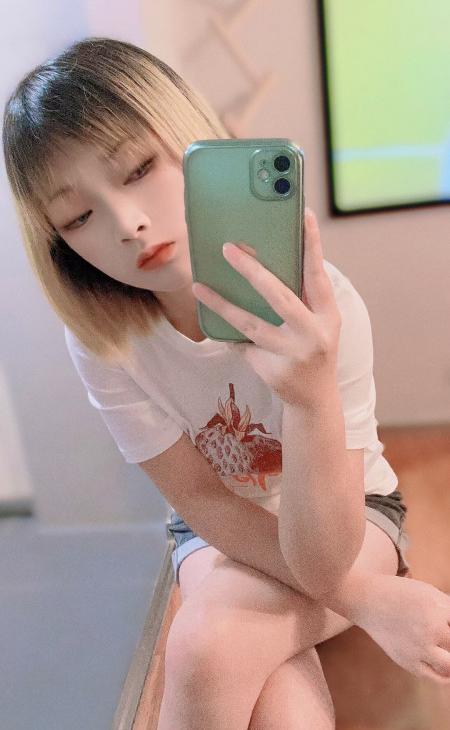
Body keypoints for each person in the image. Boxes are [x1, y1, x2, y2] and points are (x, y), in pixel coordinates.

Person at [3, 36, 450, 730]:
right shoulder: (105, 342)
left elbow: (321, 556)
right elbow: (201, 498)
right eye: (79, 217)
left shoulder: (324, 306)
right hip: (215, 528)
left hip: (351, 516)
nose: (129, 224)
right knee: (270, 698)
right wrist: (369, 600)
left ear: (195, 141)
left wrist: (310, 396)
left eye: (139, 168)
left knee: (209, 645)